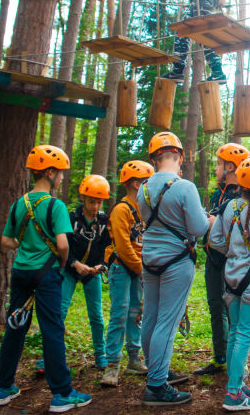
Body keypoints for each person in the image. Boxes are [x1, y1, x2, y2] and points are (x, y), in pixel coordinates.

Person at [0, 145, 91, 412]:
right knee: (52, 330)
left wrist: (24, 248)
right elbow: (62, 244)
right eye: (59, 174)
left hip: (21, 272)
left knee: (15, 327)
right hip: (46, 274)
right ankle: (61, 393)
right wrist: (60, 262)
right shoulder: (55, 206)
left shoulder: (19, 204)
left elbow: (5, 240)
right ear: (49, 172)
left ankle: (3, 388)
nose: (61, 178)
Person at [138, 132, 210, 406]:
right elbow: (198, 229)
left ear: (155, 159)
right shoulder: (184, 187)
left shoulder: (143, 189)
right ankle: (156, 385)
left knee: (151, 318)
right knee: (167, 323)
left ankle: (155, 369)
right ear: (179, 157)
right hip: (177, 261)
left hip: (149, 259)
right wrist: (209, 219)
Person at [209, 158, 250, 411]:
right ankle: (233, 392)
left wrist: (233, 253)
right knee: (244, 333)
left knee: (236, 331)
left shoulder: (229, 206)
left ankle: (238, 382)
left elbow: (215, 240)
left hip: (231, 277)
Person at [36, 175, 112, 375]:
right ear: (83, 198)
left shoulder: (104, 222)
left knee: (96, 315)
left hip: (92, 273)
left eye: (99, 202)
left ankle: (100, 354)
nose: (95, 206)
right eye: (91, 201)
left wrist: (102, 266)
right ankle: (49, 357)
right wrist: (74, 264)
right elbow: (61, 245)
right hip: (70, 270)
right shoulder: (71, 219)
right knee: (59, 311)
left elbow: (108, 248)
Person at [195, 142, 250, 376]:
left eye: (219, 164)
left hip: (232, 261)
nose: (216, 168)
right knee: (215, 306)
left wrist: (210, 220)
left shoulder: (243, 195)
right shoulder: (219, 194)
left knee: (232, 310)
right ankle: (220, 358)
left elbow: (213, 224)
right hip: (213, 259)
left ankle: (236, 362)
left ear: (230, 166)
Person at [102, 161, 153, 387]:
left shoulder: (145, 208)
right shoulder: (121, 210)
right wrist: (140, 269)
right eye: (146, 182)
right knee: (119, 313)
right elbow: (122, 246)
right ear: (135, 183)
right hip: (121, 266)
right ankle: (112, 364)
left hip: (138, 268)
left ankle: (134, 358)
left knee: (136, 313)